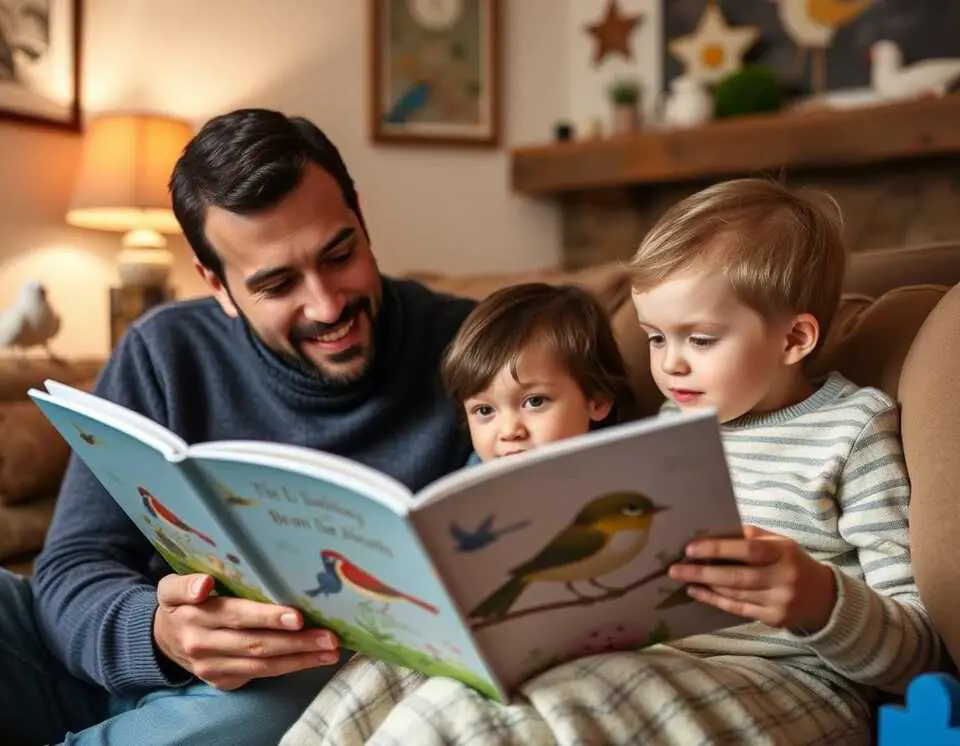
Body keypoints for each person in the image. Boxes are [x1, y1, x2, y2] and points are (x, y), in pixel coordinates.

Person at [279, 179, 939, 746]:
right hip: (651, 665)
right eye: (656, 337)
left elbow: (918, 652)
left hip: (795, 686)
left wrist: (818, 598)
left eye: (699, 339)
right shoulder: (670, 427)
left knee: (474, 710)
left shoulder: (852, 432)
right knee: (399, 666)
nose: (669, 363)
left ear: (794, 337)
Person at [0, 108, 477, 746]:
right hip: (111, 673)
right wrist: (158, 635)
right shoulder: (163, 352)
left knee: (292, 695)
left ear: (360, 216)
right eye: (277, 284)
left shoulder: (480, 350)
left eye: (340, 254)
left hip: (265, 699)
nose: (328, 305)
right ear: (216, 285)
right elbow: (73, 564)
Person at [439, 282, 636, 463]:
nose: (509, 432)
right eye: (485, 410)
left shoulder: (618, 468)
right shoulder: (473, 475)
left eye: (535, 401)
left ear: (597, 399)